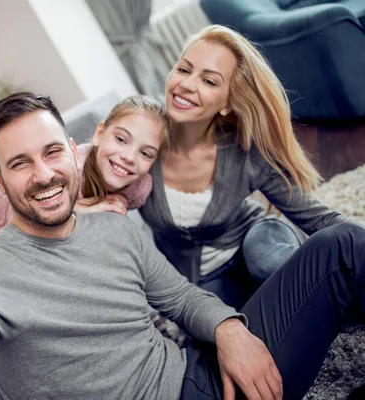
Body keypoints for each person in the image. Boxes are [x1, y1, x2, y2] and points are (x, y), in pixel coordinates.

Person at [0, 92, 365, 400]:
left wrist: (232, 330)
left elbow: (181, 297)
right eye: (20, 164)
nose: (45, 173)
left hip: (198, 368)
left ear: (75, 149)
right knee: (343, 253)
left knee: (336, 241)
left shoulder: (115, 222)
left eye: (53, 152)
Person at [139, 25, 348, 309]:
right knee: (223, 329)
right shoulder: (141, 140)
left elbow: (319, 219)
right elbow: (98, 162)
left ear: (227, 104)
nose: (186, 85)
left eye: (209, 81)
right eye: (184, 70)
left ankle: (341, 290)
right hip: (205, 277)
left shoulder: (245, 154)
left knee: (268, 264)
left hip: (257, 237)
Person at [0, 94, 168, 257]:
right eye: (121, 139)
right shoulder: (70, 170)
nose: (129, 157)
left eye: (145, 153)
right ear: (99, 133)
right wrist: (85, 210)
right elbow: (29, 223)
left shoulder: (139, 188)